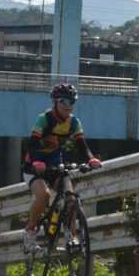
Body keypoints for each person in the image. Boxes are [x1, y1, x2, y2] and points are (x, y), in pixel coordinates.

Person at [22, 83, 102, 252]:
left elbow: (82, 145)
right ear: (55, 102)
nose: (68, 106)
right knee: (43, 195)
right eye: (63, 102)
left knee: (71, 198)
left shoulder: (74, 122)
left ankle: (71, 236)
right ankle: (30, 232)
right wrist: (36, 161)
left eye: (72, 102)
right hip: (34, 166)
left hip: (55, 164)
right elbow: (32, 143)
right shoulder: (44, 119)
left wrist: (91, 159)